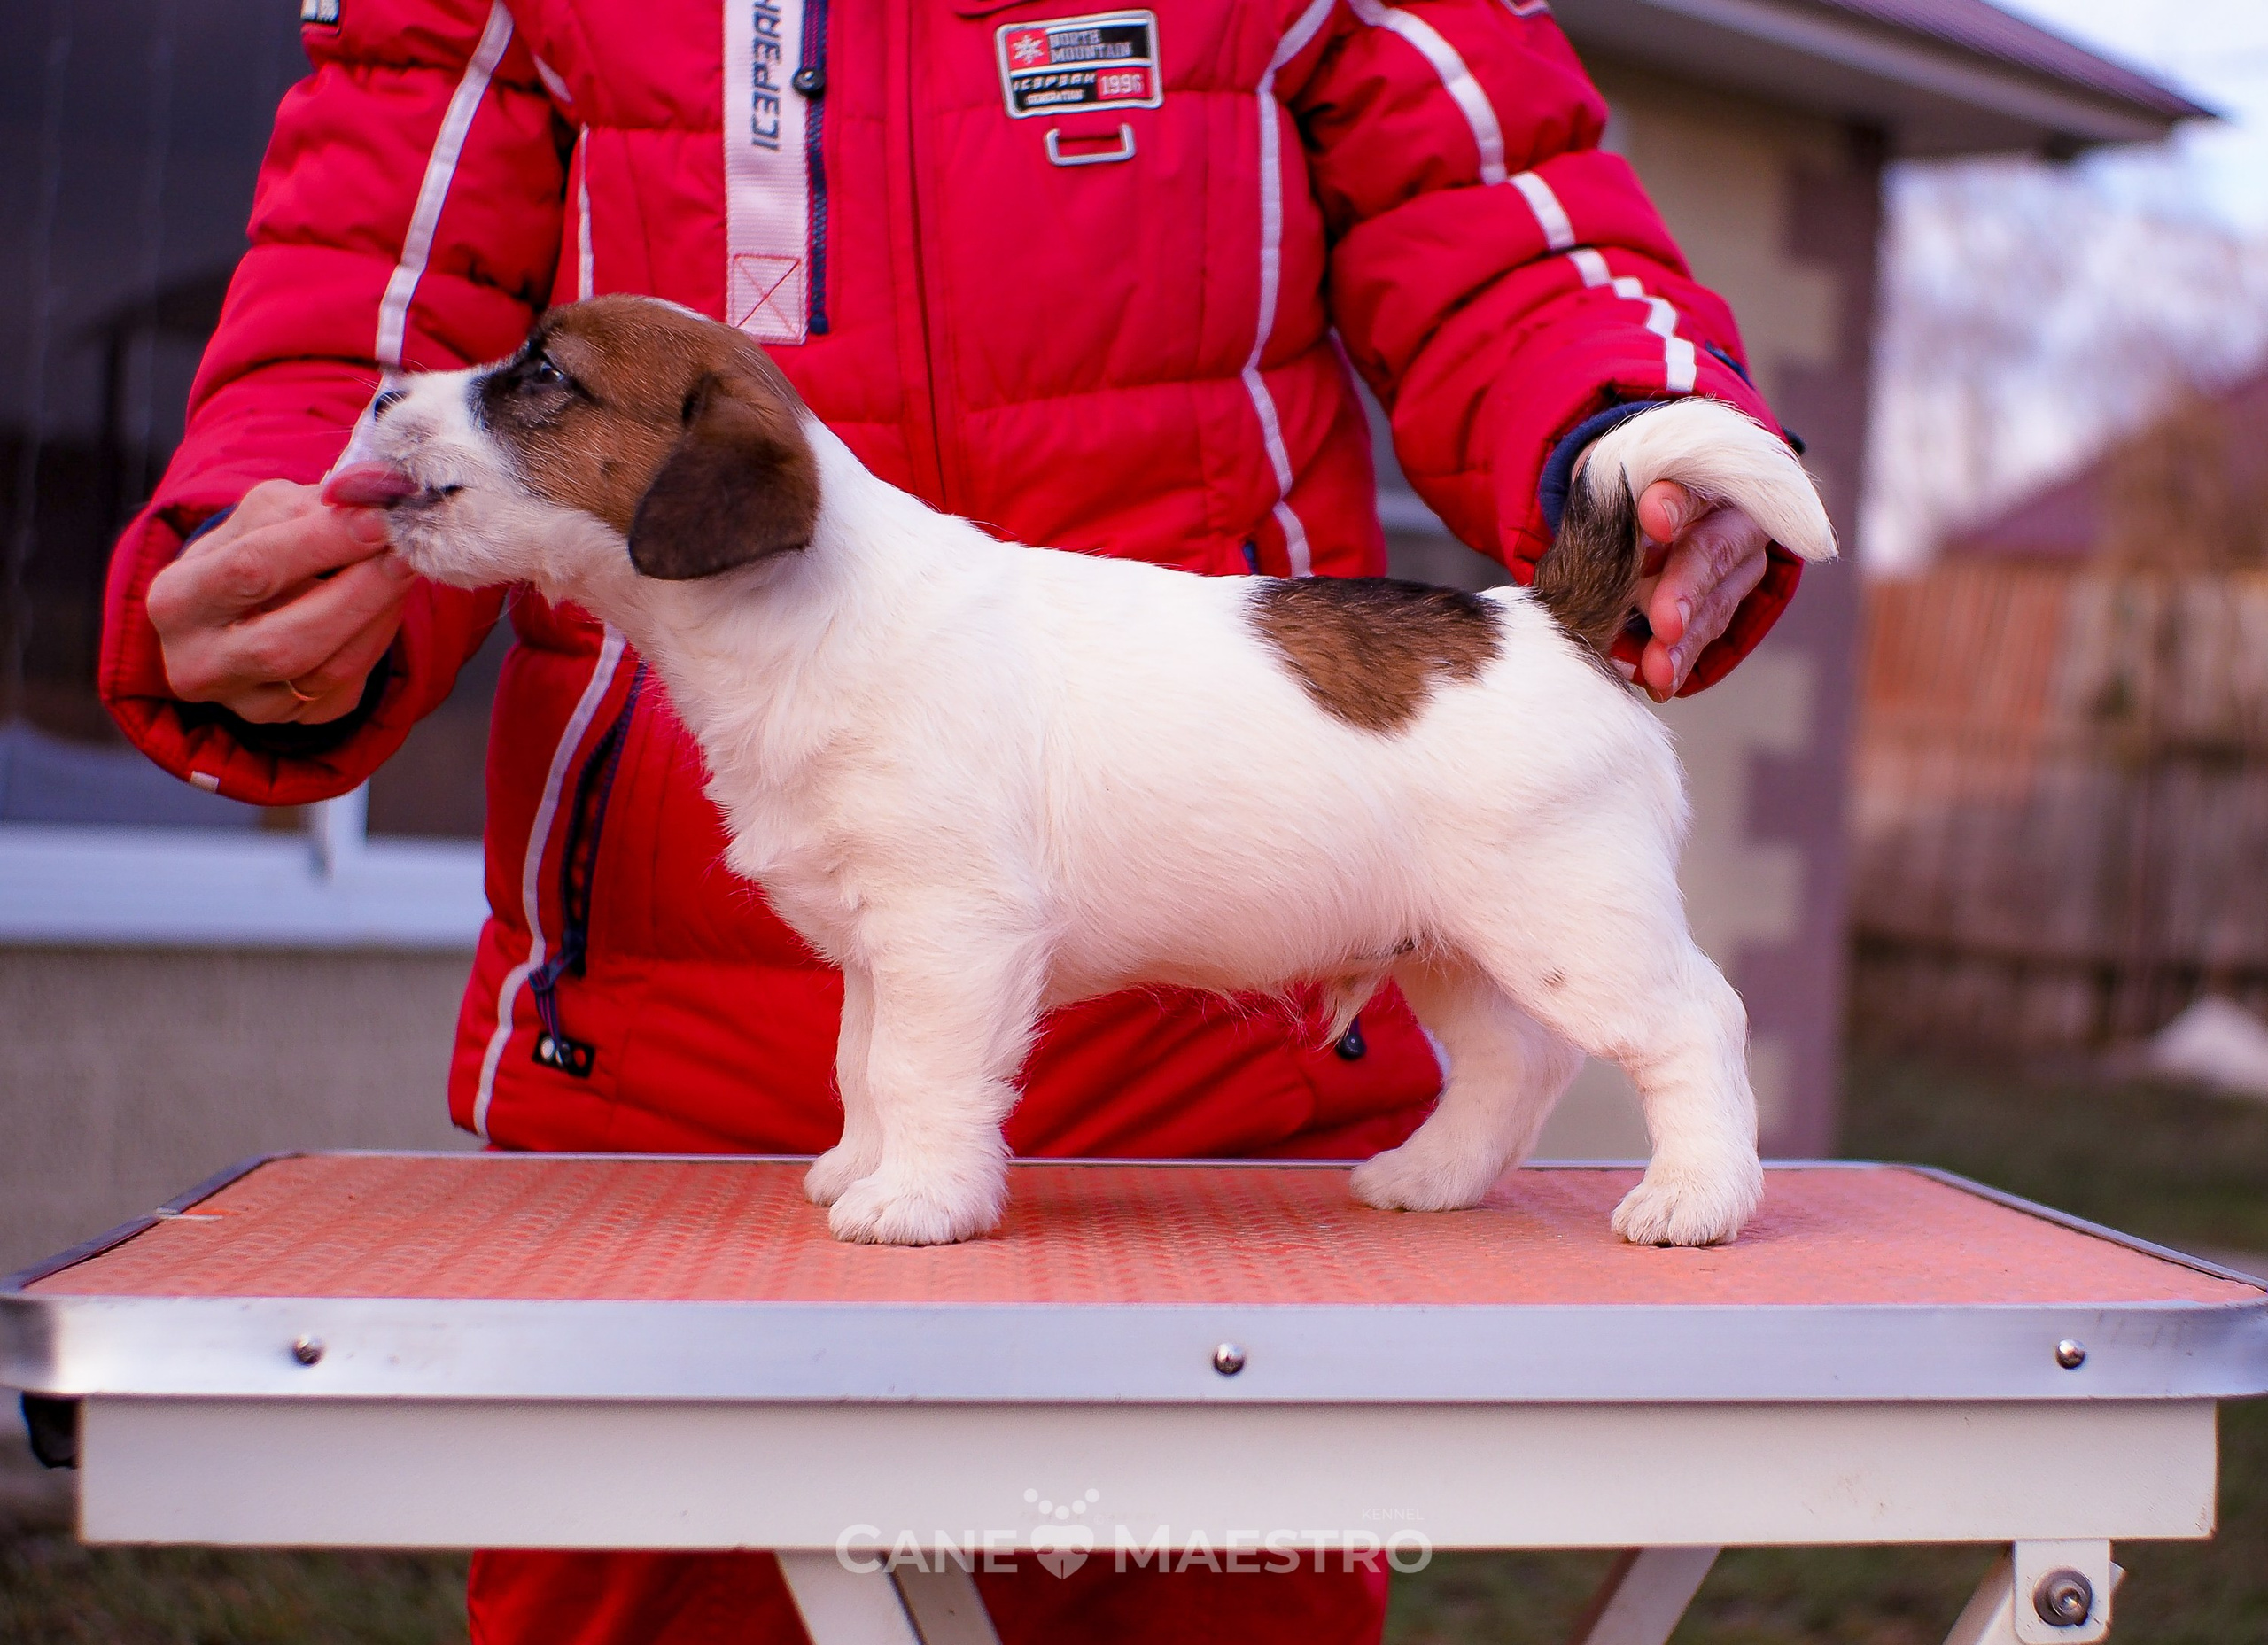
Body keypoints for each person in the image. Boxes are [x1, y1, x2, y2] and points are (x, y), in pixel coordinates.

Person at [102, 3, 1807, 1641]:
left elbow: (1503, 218)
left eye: (535, 389)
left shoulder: (879, 625)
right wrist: (254, 530)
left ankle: (1693, 1097)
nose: (466, 408)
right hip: (646, 1099)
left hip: (1273, 1068)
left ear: (708, 500)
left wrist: (1640, 438)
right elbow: (356, 266)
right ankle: (1413, 1124)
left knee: (1533, 946)